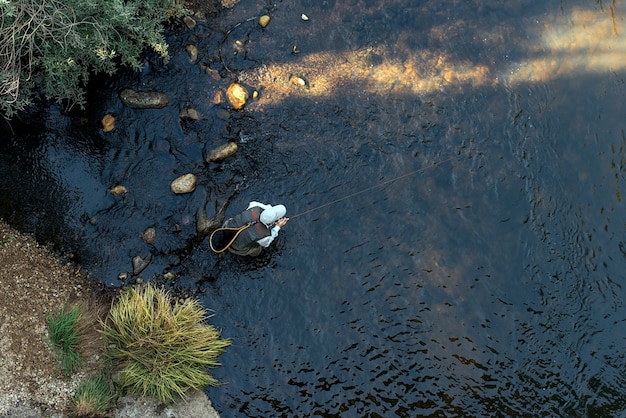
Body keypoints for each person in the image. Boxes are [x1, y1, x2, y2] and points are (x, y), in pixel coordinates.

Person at [220, 201, 289, 256]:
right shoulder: (265, 237)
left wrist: (269, 211)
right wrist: (278, 227)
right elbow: (267, 243)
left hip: (226, 228)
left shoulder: (254, 205)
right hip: (235, 247)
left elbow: (261, 207)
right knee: (257, 251)